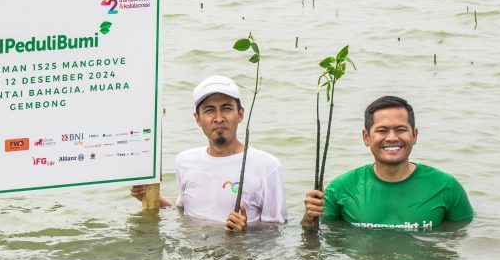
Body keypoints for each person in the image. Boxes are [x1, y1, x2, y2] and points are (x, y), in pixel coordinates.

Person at [131, 75, 287, 231]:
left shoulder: (267, 166)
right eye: (209, 110)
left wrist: (246, 234)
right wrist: (149, 197)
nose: (219, 118)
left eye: (227, 108)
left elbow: (277, 232)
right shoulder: (185, 161)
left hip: (241, 252)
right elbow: (183, 213)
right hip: (195, 253)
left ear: (240, 114)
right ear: (197, 118)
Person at [302, 95, 474, 231]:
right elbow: (318, 251)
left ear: (414, 136)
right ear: (366, 137)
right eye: (382, 130)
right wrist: (309, 221)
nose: (392, 138)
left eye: (400, 130)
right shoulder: (340, 188)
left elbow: (465, 241)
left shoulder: (447, 187)